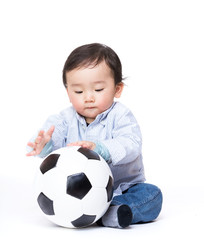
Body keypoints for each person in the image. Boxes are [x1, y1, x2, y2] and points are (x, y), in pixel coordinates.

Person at [26, 43, 162, 228]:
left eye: (98, 90)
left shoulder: (121, 116)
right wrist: (43, 145)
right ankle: (96, 212)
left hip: (124, 188)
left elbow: (131, 143)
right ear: (68, 92)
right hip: (78, 192)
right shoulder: (64, 119)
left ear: (117, 89)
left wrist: (101, 149)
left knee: (152, 195)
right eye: (78, 91)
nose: (88, 97)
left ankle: (113, 212)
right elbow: (52, 139)